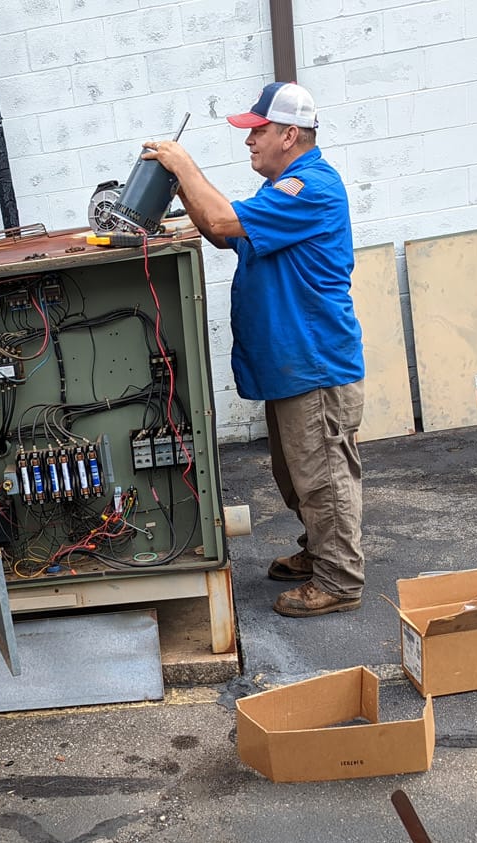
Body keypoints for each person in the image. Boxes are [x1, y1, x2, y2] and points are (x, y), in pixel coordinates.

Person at [143, 82, 365, 618]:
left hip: (314, 365)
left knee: (323, 478)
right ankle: (319, 553)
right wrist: (184, 189)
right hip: (292, 365)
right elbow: (225, 234)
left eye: (257, 132)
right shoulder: (280, 190)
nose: (249, 142)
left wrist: (185, 165)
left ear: (290, 134)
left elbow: (222, 221)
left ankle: (339, 580)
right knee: (297, 476)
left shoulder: (308, 189)